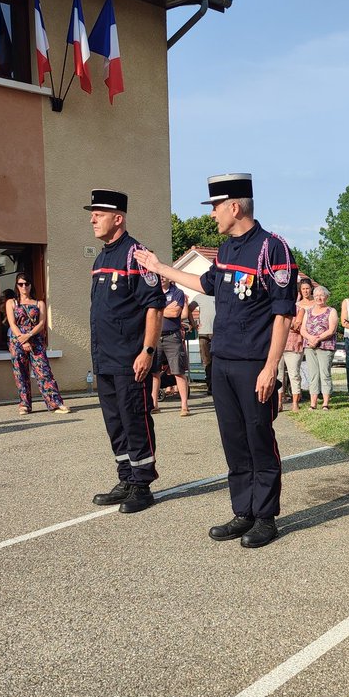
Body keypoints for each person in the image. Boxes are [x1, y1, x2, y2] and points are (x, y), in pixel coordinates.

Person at [135, 172, 298, 549]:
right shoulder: (225, 251)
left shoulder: (272, 248)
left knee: (259, 439)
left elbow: (283, 312)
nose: (212, 215)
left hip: (254, 363)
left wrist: (271, 366)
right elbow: (203, 285)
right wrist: (160, 268)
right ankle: (243, 510)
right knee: (233, 441)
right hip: (222, 361)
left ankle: (265, 516)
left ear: (234, 207)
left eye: (215, 207)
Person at [84, 189, 165, 513]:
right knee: (114, 421)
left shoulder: (137, 255)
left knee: (135, 419)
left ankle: (143, 485)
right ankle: (126, 478)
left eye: (99, 214)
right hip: (104, 358)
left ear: (118, 218)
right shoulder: (101, 257)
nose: (92, 218)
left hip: (130, 359)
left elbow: (154, 308)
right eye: (92, 213)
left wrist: (147, 350)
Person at [6, 273, 69, 415]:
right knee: (20, 373)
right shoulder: (11, 303)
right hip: (18, 341)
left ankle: (55, 403)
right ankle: (24, 405)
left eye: (26, 284)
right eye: (20, 284)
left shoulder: (39, 303)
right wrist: (23, 340)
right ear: (17, 285)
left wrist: (29, 336)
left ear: (31, 285)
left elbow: (41, 323)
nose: (24, 287)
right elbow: (12, 323)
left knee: (44, 371)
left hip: (36, 340)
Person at [151, 275, 190, 416]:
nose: (161, 278)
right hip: (155, 337)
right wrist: (164, 309)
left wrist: (156, 310)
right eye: (158, 276)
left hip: (172, 337)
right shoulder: (152, 291)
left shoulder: (177, 292)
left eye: (163, 276)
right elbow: (146, 311)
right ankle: (154, 405)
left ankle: (184, 406)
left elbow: (175, 313)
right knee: (154, 373)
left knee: (178, 372)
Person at [302, 284, 338, 410]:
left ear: (326, 297)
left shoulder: (331, 311)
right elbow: (302, 329)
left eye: (321, 295)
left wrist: (317, 338)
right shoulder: (308, 311)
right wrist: (310, 338)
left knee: (325, 374)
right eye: (316, 295)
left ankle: (325, 403)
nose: (318, 298)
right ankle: (313, 403)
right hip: (310, 346)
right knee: (313, 374)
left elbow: (332, 330)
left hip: (325, 346)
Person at [280, 276, 312, 411]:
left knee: (294, 374)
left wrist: (284, 325)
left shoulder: (300, 309)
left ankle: (295, 403)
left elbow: (296, 326)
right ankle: (279, 403)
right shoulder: (279, 308)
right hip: (279, 344)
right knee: (278, 375)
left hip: (294, 344)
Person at [188, 292, 215, 394]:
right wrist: (193, 324)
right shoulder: (199, 296)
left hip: (219, 333)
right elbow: (188, 310)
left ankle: (220, 387)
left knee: (218, 361)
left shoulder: (218, 293)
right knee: (207, 362)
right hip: (204, 333)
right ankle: (210, 387)